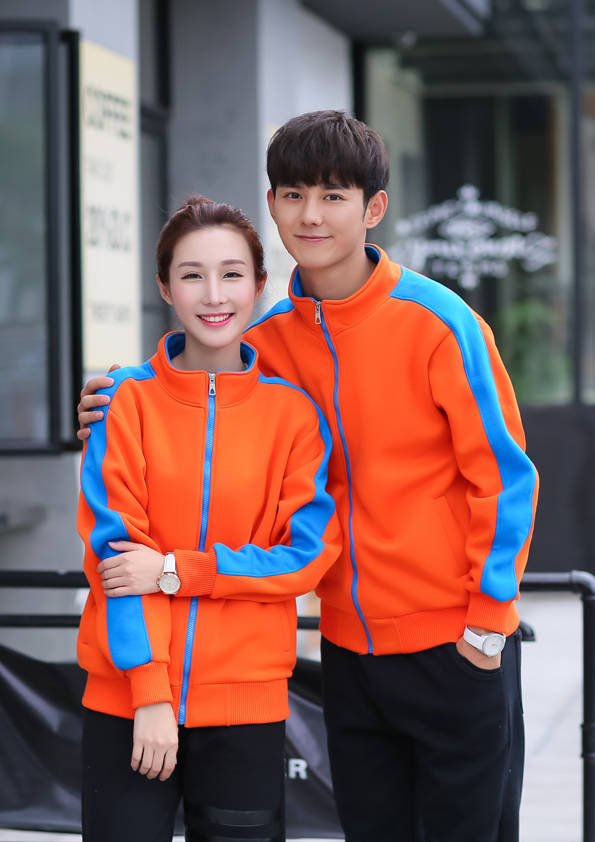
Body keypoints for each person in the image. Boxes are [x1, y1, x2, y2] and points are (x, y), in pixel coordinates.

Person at [78, 111, 539, 842]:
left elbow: (505, 478)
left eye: (332, 195)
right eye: (293, 195)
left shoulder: (440, 322)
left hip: (455, 645)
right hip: (349, 656)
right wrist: (111, 402)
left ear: (373, 208)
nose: (311, 215)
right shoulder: (266, 344)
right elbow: (196, 381)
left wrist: (486, 626)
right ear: (272, 205)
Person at [76, 194, 341, 842]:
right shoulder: (123, 402)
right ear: (166, 288)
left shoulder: (294, 416)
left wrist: (175, 570)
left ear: (258, 285)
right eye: (192, 275)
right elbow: (115, 559)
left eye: (231, 274)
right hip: (127, 705)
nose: (214, 294)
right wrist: (150, 694)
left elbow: (304, 558)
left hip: (245, 708)